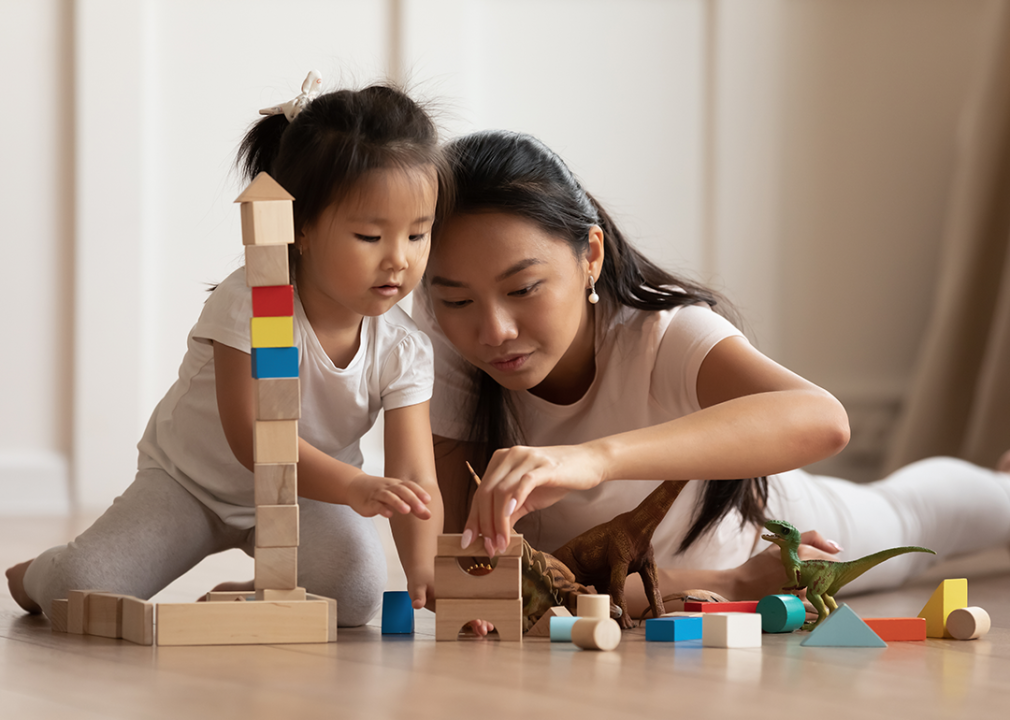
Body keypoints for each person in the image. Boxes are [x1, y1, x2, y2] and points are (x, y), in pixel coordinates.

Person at [416, 129, 1010, 626]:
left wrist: (594, 458)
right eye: (456, 300)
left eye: (523, 289)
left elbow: (824, 420)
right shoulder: (449, 361)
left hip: (793, 528)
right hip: (721, 578)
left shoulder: (662, 334)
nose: (492, 330)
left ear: (590, 254)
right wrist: (729, 581)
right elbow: (484, 587)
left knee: (918, 515)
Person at [6, 76, 445, 626]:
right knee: (81, 590)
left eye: (418, 234)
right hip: (192, 486)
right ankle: (39, 573)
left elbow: (415, 477)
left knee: (354, 597)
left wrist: (424, 568)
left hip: (310, 496)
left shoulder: (402, 347)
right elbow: (254, 439)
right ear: (300, 229)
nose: (398, 260)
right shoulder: (255, 302)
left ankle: (257, 588)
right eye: (369, 237)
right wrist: (355, 484)